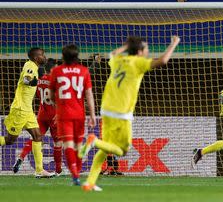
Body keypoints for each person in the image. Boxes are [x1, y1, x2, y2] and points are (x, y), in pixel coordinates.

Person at [79, 35, 180, 191]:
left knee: (107, 149)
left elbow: (112, 54)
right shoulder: (138, 62)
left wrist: (127, 45)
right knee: (123, 150)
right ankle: (94, 142)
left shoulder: (118, 60)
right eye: (146, 48)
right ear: (139, 52)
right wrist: (174, 44)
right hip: (122, 112)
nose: (148, 50)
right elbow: (162, 61)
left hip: (106, 108)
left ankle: (90, 182)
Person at [0, 48, 54, 178]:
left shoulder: (36, 66)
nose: (44, 57)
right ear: (36, 58)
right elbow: (25, 80)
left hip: (28, 110)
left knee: (37, 137)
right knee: (10, 140)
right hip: (20, 109)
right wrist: (34, 81)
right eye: (42, 55)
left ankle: (39, 170)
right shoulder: (30, 65)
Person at [49, 44, 97, 185]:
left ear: (63, 57)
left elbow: (51, 95)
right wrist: (93, 114)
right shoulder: (84, 71)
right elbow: (89, 94)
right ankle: (78, 173)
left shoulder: (56, 71)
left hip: (64, 114)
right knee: (78, 146)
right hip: (79, 114)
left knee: (68, 145)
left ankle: (75, 175)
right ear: (77, 56)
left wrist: (58, 106)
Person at [13, 58, 63, 176]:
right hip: (54, 114)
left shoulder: (39, 80)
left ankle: (21, 157)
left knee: (35, 138)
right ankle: (58, 170)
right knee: (58, 143)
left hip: (42, 113)